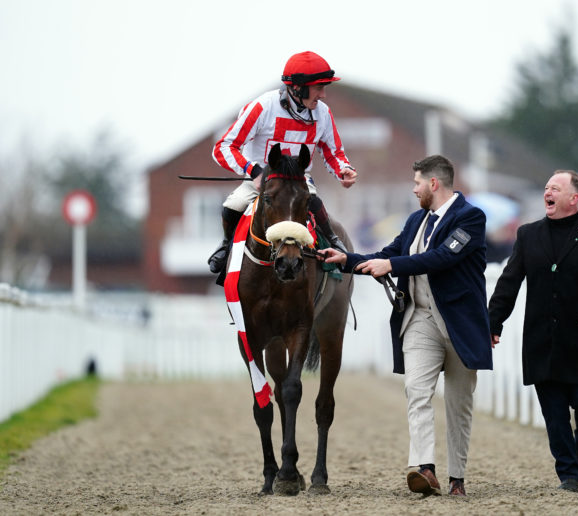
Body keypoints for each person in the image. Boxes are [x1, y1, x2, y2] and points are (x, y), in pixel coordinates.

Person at [322, 155, 492, 497]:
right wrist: (347, 260)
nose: (414, 189)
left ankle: (457, 478)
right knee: (416, 390)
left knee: (458, 403)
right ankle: (425, 469)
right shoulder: (416, 220)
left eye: (417, 183)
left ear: (434, 183)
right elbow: (389, 254)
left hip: (460, 323)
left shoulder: (471, 217)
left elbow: (443, 257)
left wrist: (391, 265)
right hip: (419, 319)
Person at [487, 170, 578, 493]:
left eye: (555, 188)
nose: (547, 192)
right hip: (541, 341)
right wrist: (493, 323)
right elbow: (509, 282)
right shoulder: (528, 235)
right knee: (555, 414)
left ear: (574, 198)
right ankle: (568, 474)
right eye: (546, 187)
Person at [208, 51, 358, 282]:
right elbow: (223, 147)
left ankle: (333, 240)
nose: (323, 94)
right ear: (297, 87)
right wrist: (253, 171)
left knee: (314, 202)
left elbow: (333, 152)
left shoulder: (323, 113)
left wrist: (343, 169)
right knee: (232, 206)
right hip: (261, 180)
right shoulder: (262, 107)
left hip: (298, 180)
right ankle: (226, 245)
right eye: (319, 88)